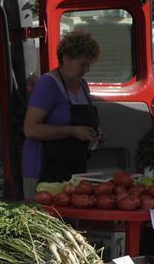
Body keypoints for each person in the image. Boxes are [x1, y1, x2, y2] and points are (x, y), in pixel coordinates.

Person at [22, 30, 103, 196]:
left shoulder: (83, 86)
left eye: (89, 65)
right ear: (66, 58)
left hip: (75, 171)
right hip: (44, 170)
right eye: (82, 64)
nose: (86, 69)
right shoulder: (48, 84)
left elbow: (83, 123)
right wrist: (72, 131)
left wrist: (96, 132)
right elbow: (30, 129)